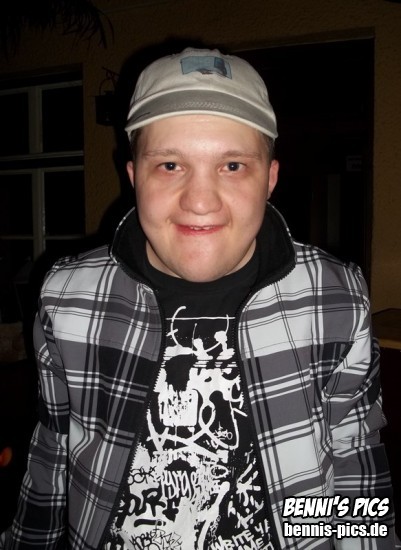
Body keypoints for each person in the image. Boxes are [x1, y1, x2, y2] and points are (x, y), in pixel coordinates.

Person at [0, 47, 398, 550]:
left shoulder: (335, 298)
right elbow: (53, 447)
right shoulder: (66, 297)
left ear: (270, 178)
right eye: (170, 165)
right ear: (134, 177)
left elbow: (353, 453)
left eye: (232, 165)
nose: (201, 201)